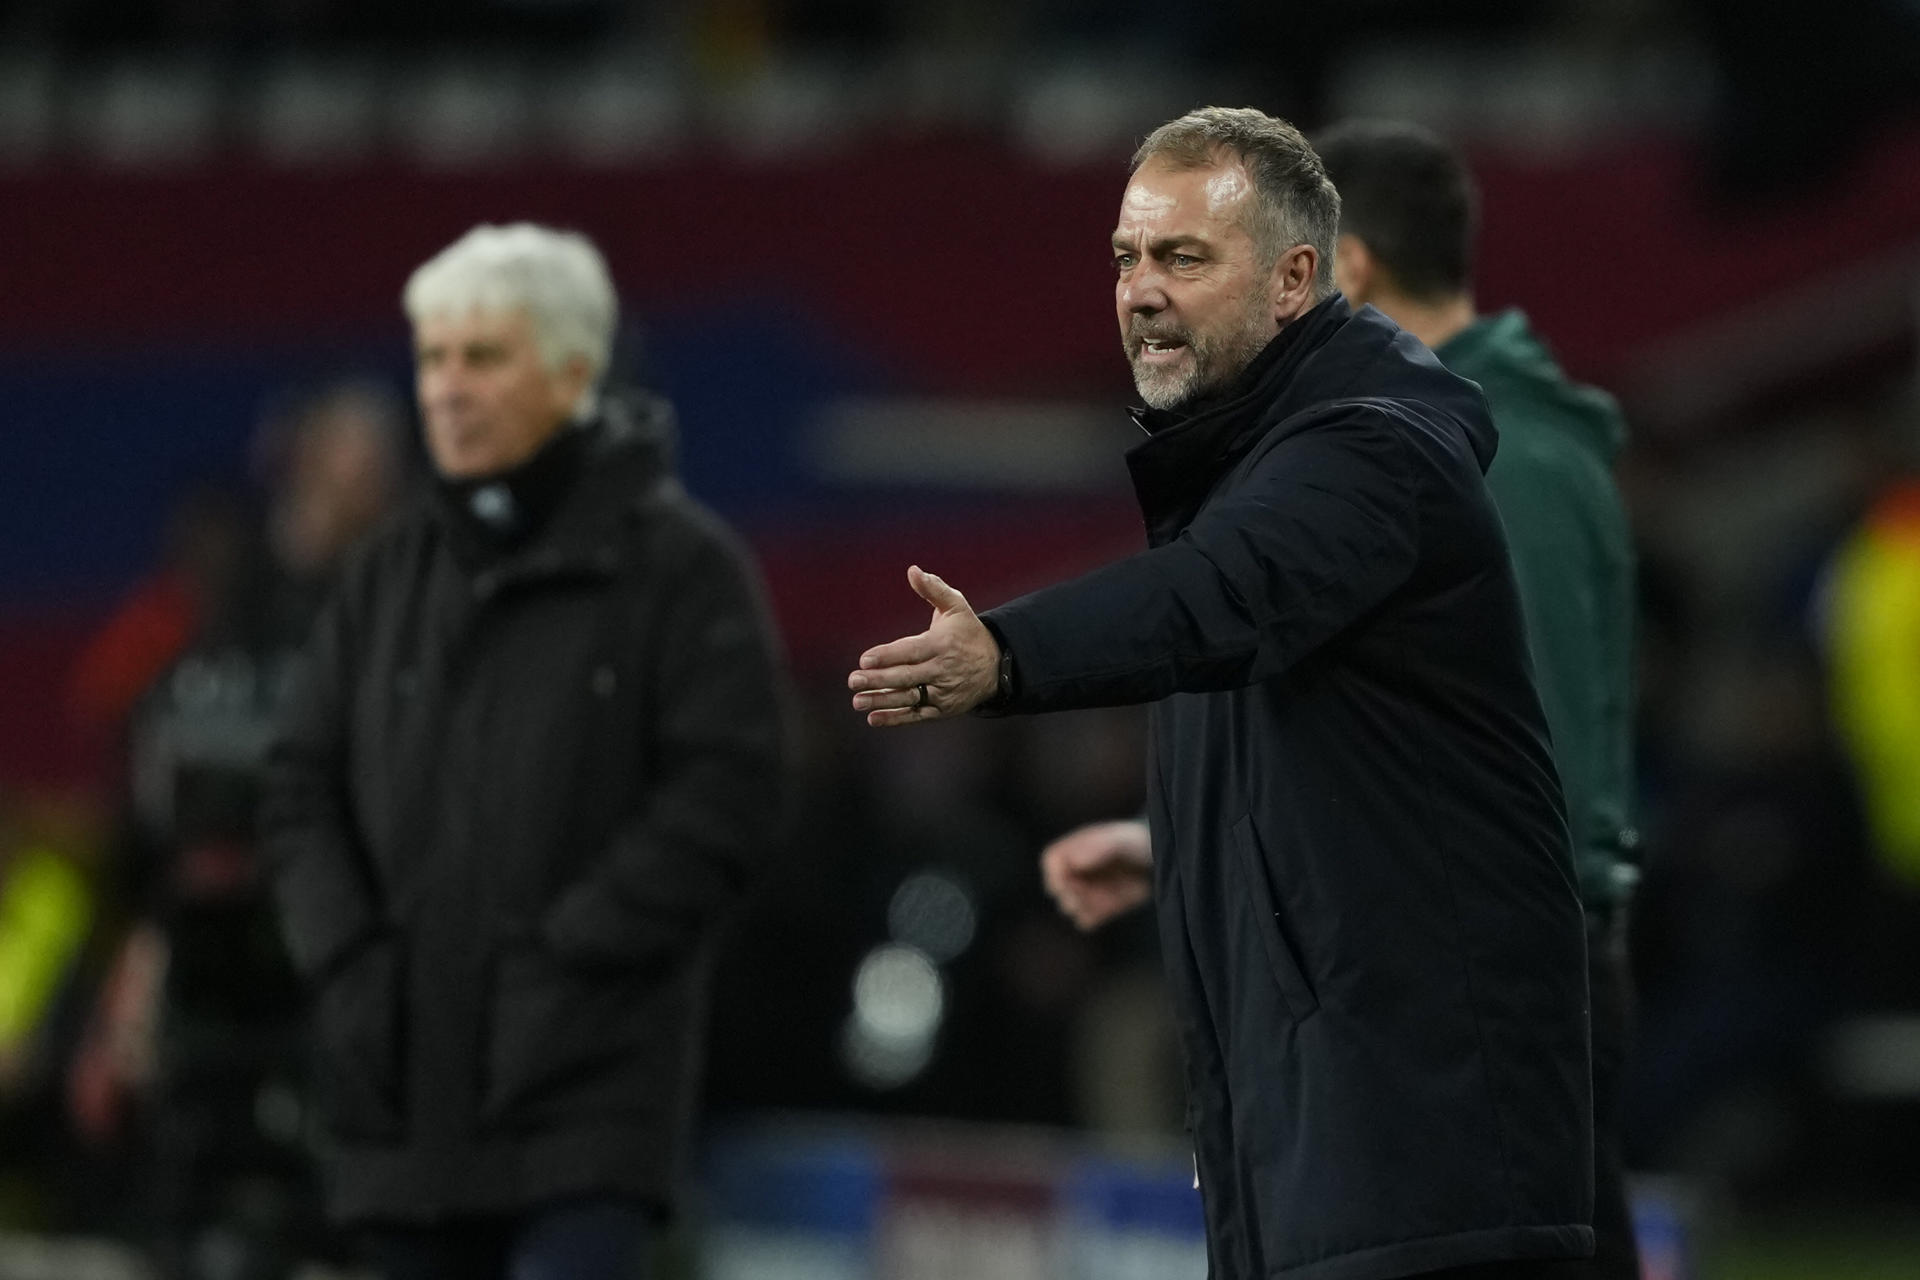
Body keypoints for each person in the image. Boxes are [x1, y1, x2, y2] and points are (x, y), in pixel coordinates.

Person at [848, 107, 1594, 1280]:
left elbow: (1217, 596)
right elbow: (1334, 763)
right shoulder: (1253, 470)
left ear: (1295, 278)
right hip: (1333, 1162)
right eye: (1126, 258)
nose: (1141, 291)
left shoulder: (1372, 454)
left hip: (1428, 1171)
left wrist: (1007, 651)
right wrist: (1178, 847)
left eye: (1184, 258)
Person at [262, 224, 785, 1280]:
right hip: (398, 1102)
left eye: (484, 357)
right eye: (432, 359)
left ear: (574, 372)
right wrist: (350, 964)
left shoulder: (683, 569)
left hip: (582, 1103)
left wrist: (565, 956)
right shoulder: (384, 574)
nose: (448, 389)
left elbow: (728, 791)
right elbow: (295, 783)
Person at [1317, 119, 1642, 1278]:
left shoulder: (1508, 463)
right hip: (1479, 961)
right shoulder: (1457, 443)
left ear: (1350, 266)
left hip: (1508, 976)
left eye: (1293, 261)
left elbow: (1532, 751)